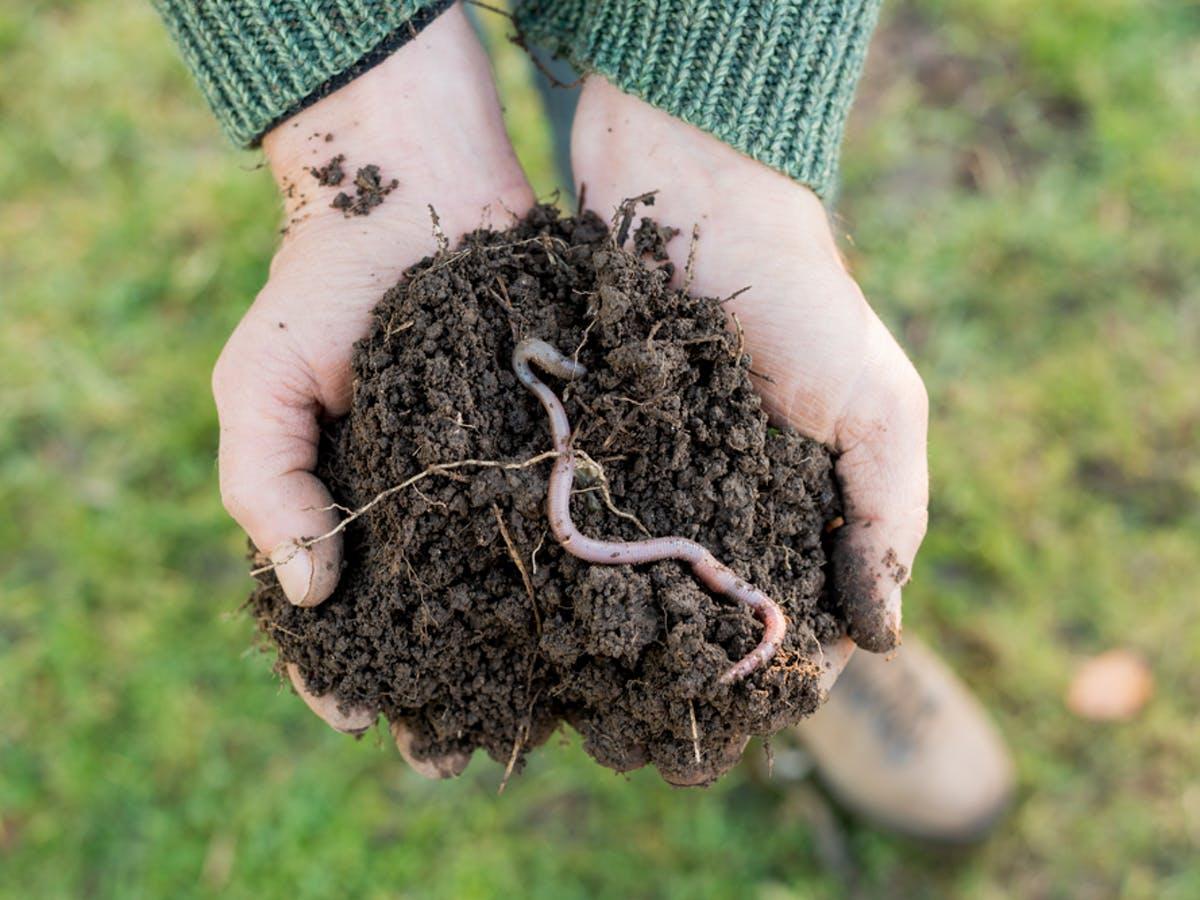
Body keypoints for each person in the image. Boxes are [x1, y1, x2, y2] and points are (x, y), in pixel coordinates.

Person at [155, 0, 1013, 842]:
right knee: (606, 143)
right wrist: (355, 102)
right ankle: (760, 621)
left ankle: (773, 614)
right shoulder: (538, 396)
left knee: (616, 95)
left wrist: (716, 113)